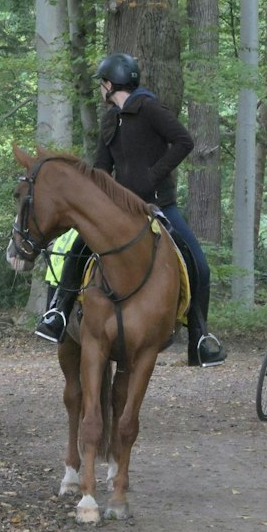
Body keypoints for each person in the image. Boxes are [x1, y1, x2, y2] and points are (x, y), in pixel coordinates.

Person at [34, 53, 226, 367]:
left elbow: (183, 140)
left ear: (110, 84)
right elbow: (100, 168)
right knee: (78, 251)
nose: (100, 89)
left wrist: (153, 175)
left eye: (102, 84)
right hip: (118, 212)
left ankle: (199, 338)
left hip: (158, 206)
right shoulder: (110, 118)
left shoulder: (150, 108)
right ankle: (57, 312)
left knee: (199, 265)